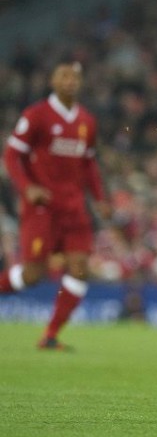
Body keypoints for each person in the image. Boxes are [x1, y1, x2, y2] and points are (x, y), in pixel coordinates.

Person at [0, 61, 110, 350]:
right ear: (53, 80)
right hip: (42, 208)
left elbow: (89, 164)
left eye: (75, 77)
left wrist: (100, 199)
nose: (70, 81)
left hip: (74, 208)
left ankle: (50, 335)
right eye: (64, 76)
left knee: (80, 268)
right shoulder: (36, 115)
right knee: (33, 274)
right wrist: (28, 188)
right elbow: (12, 156)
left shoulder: (87, 120)